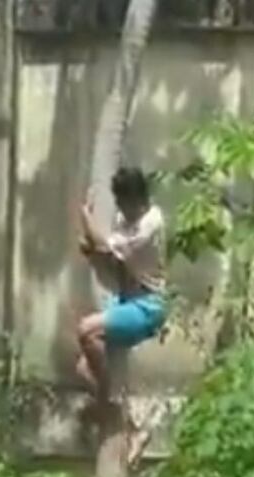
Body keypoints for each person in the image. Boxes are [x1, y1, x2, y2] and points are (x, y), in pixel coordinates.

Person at [74, 167, 167, 461]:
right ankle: (133, 428)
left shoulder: (150, 224)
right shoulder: (125, 219)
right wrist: (91, 249)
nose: (122, 212)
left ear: (138, 200)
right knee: (82, 369)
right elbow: (107, 254)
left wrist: (85, 216)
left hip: (148, 306)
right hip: (127, 301)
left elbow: (105, 244)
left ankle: (110, 400)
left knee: (86, 330)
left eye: (125, 204)